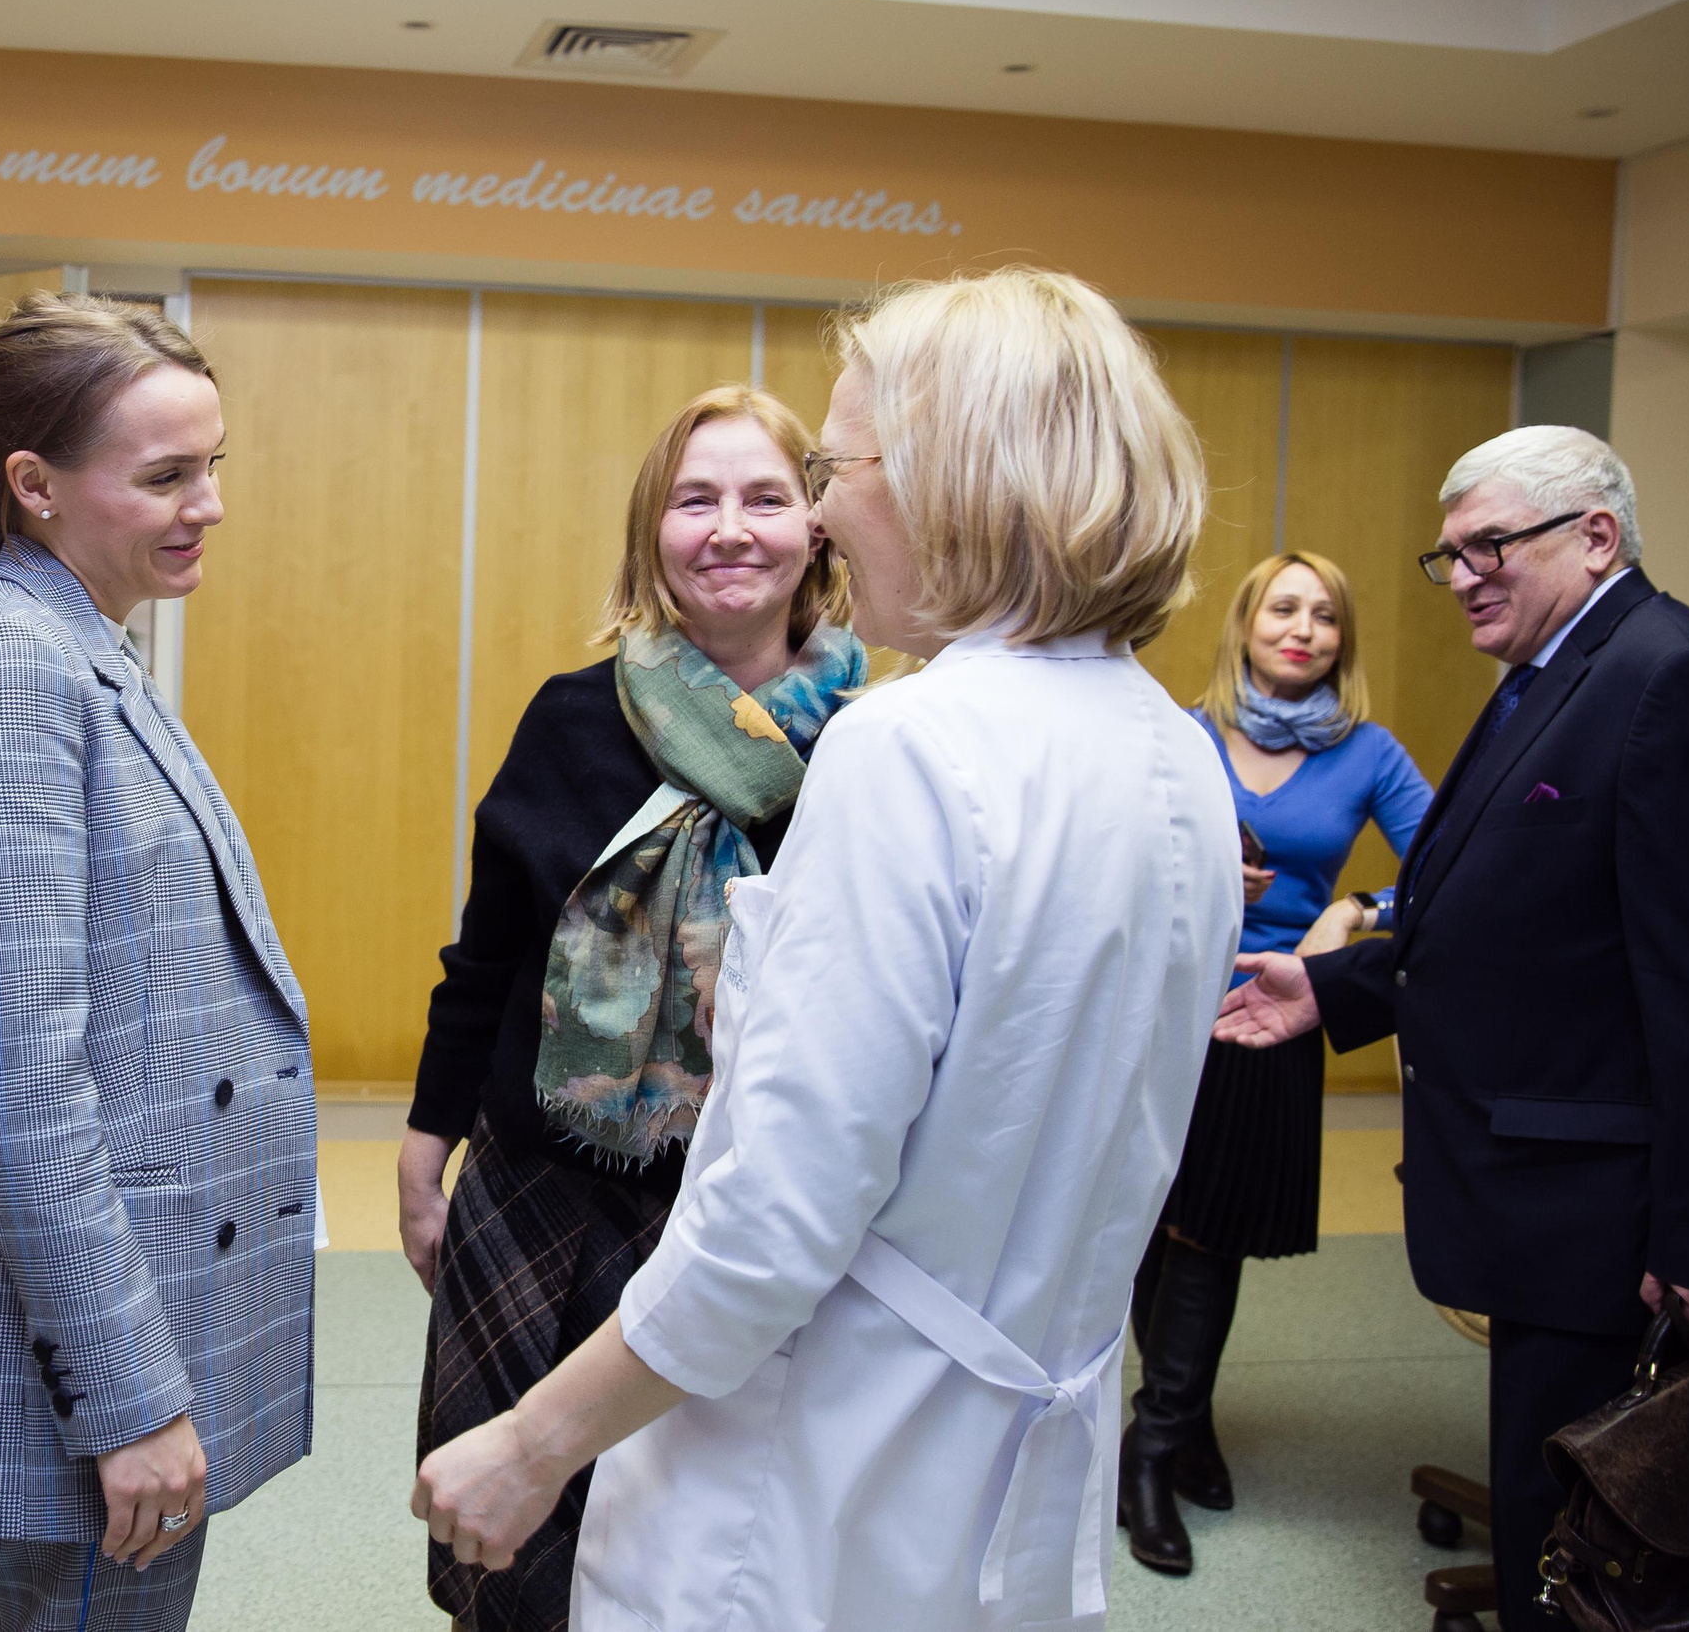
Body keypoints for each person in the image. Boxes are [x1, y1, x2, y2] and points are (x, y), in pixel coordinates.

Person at [412, 268, 1241, 1631]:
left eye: (837, 464)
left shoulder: (906, 745)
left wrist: (533, 1439)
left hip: (823, 1463)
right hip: (1011, 1445)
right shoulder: (1168, 747)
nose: (829, 509)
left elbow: (772, 1223)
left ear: (950, 480)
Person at [1216, 425, 1689, 1631]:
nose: (1463, 572)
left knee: (1600, 1548)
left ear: (1595, 537)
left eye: (1489, 545)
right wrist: (1339, 992)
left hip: (1611, 1211)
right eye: (1449, 553)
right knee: (1553, 1518)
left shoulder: (1674, 676)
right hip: (1537, 1198)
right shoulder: (1550, 673)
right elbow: (1516, 926)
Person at [0, 294, 318, 1632]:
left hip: (139, 1293)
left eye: (214, 463)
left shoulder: (79, 648)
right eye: (167, 475)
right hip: (96, 1349)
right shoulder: (8, 672)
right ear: (35, 486)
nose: (208, 504)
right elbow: (19, 1087)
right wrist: (129, 1398)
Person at [403, 384, 864, 1632]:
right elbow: (490, 949)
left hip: (740, 1205)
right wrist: (425, 1142)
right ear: (649, 532)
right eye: (693, 499)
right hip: (536, 1184)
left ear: (816, 528)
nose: (730, 528)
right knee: (502, 1549)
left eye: (766, 497)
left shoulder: (873, 747)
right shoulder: (571, 715)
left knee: (691, 1548)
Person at [1121, 552, 1434, 1575]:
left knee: (1210, 1235)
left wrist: (1357, 910)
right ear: (1245, 625)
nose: (1303, 628)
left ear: (1342, 641)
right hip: (1159, 1000)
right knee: (1148, 1225)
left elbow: (1454, 864)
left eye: (1326, 616)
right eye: (1282, 608)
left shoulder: (1370, 752)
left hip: (1275, 1011)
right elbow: (1105, 846)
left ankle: (1151, 1446)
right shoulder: (1174, 730)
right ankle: (1185, 1425)